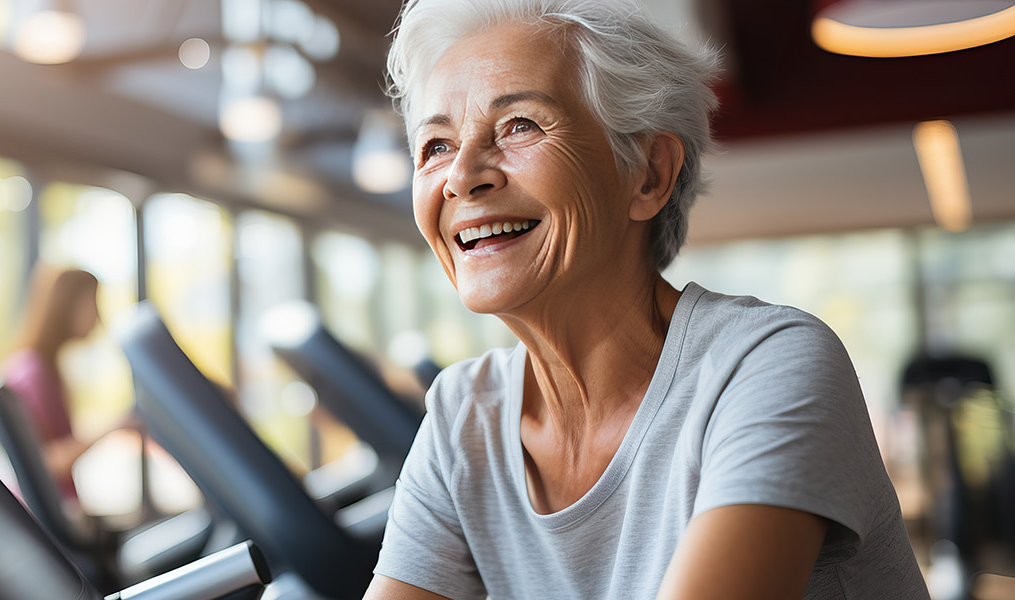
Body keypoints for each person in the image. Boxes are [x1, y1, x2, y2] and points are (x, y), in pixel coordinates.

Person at [365, 1, 927, 598]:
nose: (462, 176)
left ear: (648, 173)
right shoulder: (463, 416)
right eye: (435, 146)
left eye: (520, 125)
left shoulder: (765, 365)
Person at [3, 265, 132, 500]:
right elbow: (46, 463)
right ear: (67, 305)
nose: (98, 318)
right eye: (92, 304)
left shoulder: (44, 369)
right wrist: (114, 426)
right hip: (47, 516)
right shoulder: (32, 373)